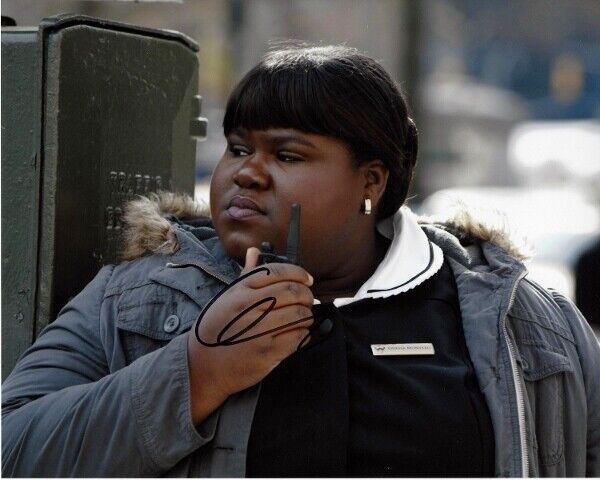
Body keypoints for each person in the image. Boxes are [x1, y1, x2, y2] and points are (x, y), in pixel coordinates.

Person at [2, 45, 599, 478]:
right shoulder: (139, 296)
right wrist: (196, 373)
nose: (245, 172)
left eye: (287, 153)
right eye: (238, 148)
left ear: (371, 181)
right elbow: (15, 451)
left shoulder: (522, 320)